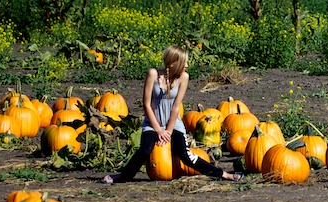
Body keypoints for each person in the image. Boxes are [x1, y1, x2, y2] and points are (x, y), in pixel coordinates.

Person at [103, 45, 242, 184]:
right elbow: (146, 104)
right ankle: (122, 176)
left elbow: (176, 106)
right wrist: (158, 130)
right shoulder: (153, 74)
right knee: (144, 151)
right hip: (152, 123)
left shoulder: (183, 78)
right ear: (173, 62)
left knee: (185, 155)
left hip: (173, 123)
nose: (187, 65)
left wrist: (168, 131)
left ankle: (223, 174)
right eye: (184, 62)